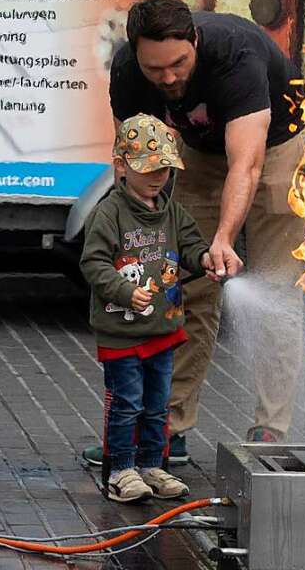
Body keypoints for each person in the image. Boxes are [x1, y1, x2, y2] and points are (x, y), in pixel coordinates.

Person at [107, 0, 305, 462]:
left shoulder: (236, 55)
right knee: (185, 289)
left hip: (277, 150)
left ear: (194, 40)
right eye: (156, 69)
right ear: (136, 53)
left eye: (178, 63)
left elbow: (248, 166)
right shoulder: (127, 72)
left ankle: (271, 430)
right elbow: (134, 161)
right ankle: (166, 427)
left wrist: (222, 240)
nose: (169, 77)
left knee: (276, 287)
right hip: (199, 153)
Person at [80, 114, 222, 502]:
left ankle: (151, 466)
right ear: (121, 166)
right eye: (148, 168)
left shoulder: (172, 211)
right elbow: (93, 263)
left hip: (163, 330)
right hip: (122, 334)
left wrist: (206, 259)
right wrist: (124, 292)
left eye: (164, 168)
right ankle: (121, 471)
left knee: (158, 405)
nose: (158, 176)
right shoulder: (109, 213)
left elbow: (192, 245)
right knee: (127, 405)